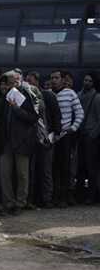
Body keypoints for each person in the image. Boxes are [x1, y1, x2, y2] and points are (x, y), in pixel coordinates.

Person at [0, 72, 39, 215]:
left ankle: (20, 203)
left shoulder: (27, 95)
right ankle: (8, 202)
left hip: (22, 141)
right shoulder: (6, 96)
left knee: (22, 174)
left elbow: (33, 117)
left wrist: (16, 109)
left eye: (16, 80)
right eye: (10, 81)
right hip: (8, 141)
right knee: (5, 172)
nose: (13, 83)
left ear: (20, 80)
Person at [51, 70, 85, 207]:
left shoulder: (70, 93)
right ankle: (54, 197)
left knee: (65, 168)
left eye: (56, 78)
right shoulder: (48, 94)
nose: (54, 80)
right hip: (51, 137)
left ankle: (64, 198)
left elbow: (80, 113)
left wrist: (73, 128)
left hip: (65, 136)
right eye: (52, 78)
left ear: (62, 80)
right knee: (53, 168)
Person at [79, 72, 100, 204]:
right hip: (80, 135)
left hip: (90, 137)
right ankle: (81, 195)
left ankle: (92, 196)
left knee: (91, 168)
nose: (86, 82)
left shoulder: (97, 98)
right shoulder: (79, 95)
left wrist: (93, 134)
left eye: (89, 81)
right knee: (81, 167)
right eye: (85, 80)